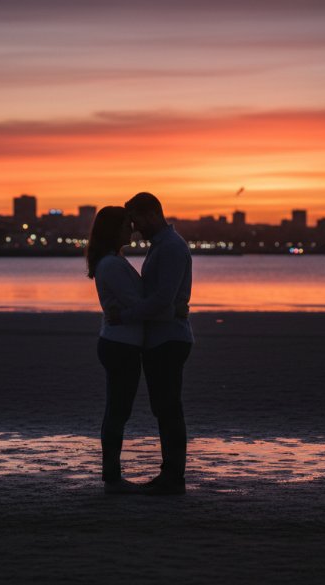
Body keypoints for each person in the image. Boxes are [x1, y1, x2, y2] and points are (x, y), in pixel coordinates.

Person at [86, 206, 187, 495]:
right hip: (121, 344)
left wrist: (163, 306)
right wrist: (173, 309)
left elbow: (138, 302)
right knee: (118, 410)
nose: (132, 229)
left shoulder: (115, 261)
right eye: (126, 224)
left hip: (122, 343)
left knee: (118, 409)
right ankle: (112, 477)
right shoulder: (112, 265)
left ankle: (113, 476)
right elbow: (138, 303)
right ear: (114, 230)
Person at [111, 192, 194, 496]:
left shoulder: (170, 248)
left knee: (169, 408)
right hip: (164, 335)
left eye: (136, 220)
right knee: (165, 408)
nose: (134, 228)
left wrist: (126, 315)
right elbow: (163, 299)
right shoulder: (163, 246)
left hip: (169, 338)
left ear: (151, 214)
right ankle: (171, 474)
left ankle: (173, 476)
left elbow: (162, 299)